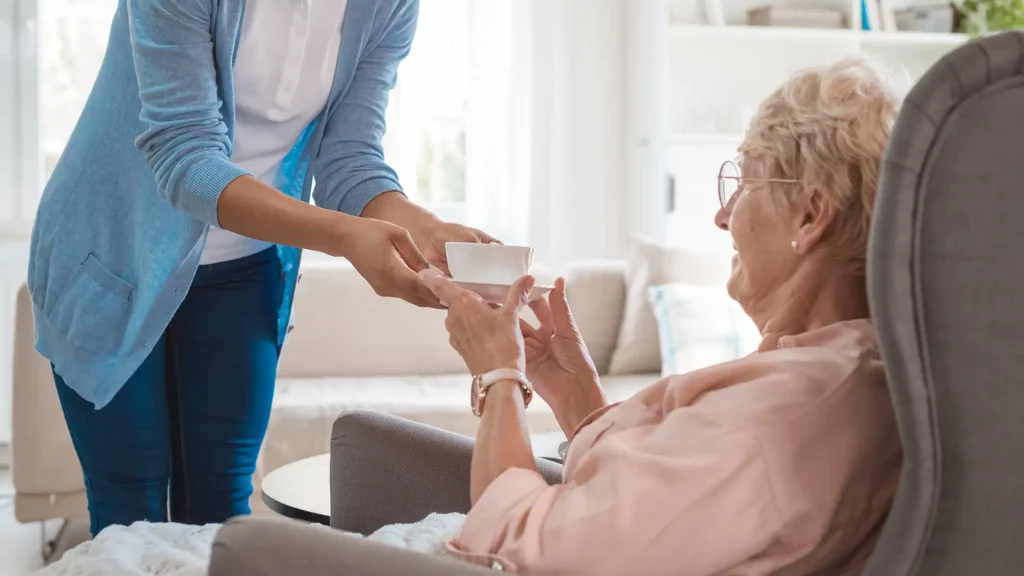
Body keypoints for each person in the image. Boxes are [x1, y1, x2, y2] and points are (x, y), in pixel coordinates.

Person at [413, 59, 903, 574]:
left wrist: (499, 374)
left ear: (809, 215)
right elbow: (658, 513)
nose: (721, 215)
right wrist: (575, 394)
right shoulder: (844, 371)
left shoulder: (775, 423)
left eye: (744, 184)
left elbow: (511, 551)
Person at [27, 0, 492, 536]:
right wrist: (345, 238)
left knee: (222, 509)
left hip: (246, 264)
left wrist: (425, 228)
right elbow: (185, 157)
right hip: (110, 255)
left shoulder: (387, 7)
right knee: (129, 512)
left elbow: (350, 156)